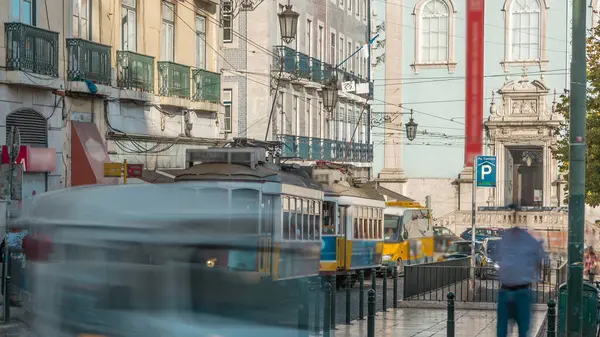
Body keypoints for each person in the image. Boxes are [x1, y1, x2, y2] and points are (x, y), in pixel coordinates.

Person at [497, 226, 545, 337]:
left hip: (520, 291)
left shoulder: (527, 241)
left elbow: (539, 259)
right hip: (508, 291)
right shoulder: (506, 240)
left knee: (522, 330)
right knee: (504, 331)